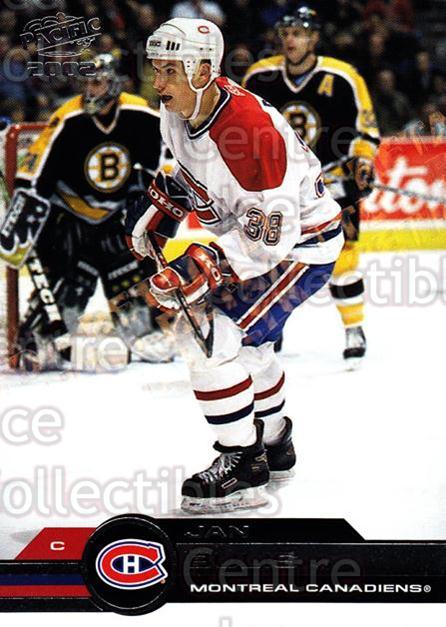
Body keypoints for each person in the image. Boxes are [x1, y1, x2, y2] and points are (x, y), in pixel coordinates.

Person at [126, 18, 344, 513]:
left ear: (203, 70)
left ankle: (243, 464)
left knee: (206, 335)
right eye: (155, 69)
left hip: (300, 247)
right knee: (249, 346)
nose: (157, 82)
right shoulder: (178, 112)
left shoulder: (248, 129)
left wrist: (203, 264)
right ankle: (276, 442)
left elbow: (270, 239)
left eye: (169, 71)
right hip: (266, 238)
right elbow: (192, 174)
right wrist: (164, 210)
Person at [11, 53, 172, 370]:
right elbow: (35, 167)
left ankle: (140, 332)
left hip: (116, 214)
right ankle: (41, 338)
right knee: (73, 277)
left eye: (96, 83)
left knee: (126, 273)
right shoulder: (68, 117)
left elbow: (164, 159)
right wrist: (26, 202)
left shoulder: (140, 113)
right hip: (70, 213)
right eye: (85, 83)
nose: (90, 90)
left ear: (113, 84)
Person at [243, 6, 380, 365]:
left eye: (299, 34)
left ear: (314, 38)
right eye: (286, 33)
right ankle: (271, 328)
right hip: (278, 186)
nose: (291, 40)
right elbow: (240, 129)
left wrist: (363, 161)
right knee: (272, 259)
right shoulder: (260, 77)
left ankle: (353, 328)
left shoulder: (343, 76)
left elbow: (365, 129)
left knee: (344, 258)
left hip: (334, 182)